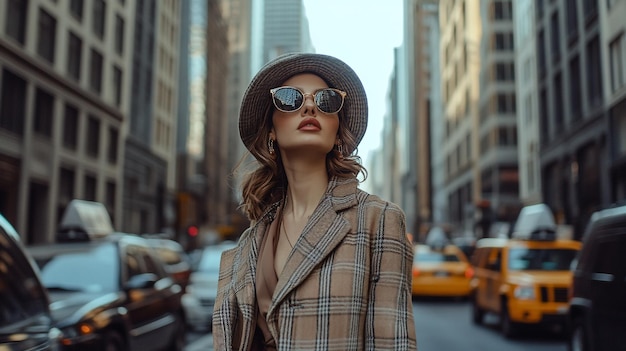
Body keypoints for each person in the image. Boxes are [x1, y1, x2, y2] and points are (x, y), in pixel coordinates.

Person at [213, 52, 417, 351]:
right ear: (271, 129)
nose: (309, 105)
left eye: (326, 100)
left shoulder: (379, 220)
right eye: (289, 98)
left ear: (337, 131)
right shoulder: (248, 243)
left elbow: (393, 342)